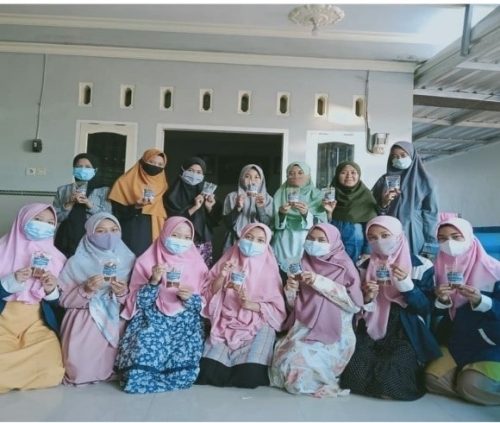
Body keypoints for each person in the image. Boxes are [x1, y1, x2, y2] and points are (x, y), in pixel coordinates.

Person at [340, 215, 441, 401]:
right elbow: (354, 304)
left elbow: (426, 308)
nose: (379, 241)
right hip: (371, 323)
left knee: (393, 368)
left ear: (398, 235)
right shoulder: (363, 266)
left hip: (405, 327)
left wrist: (407, 285)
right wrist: (367, 297)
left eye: (385, 235)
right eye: (372, 237)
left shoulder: (421, 266)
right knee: (354, 369)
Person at [269, 223, 363, 398]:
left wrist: (319, 281)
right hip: (303, 325)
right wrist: (291, 289)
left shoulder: (345, 266)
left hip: (334, 329)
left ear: (333, 242)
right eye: (310, 239)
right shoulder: (302, 263)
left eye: (321, 240)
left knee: (305, 365)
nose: (314, 243)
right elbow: (294, 307)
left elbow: (355, 304)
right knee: (284, 360)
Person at [116, 216, 208, 394]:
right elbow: (139, 302)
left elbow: (206, 303)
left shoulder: (198, 265)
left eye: (186, 237)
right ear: (165, 233)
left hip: (185, 319)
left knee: (183, 366)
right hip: (153, 316)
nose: (181, 241)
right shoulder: (146, 261)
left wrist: (190, 298)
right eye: (175, 235)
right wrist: (153, 281)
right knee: (147, 339)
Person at [196, 223, 287, 388]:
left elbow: (277, 310)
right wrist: (222, 276)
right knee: (207, 372)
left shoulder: (270, 270)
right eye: (248, 237)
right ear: (240, 238)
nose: (253, 243)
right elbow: (208, 295)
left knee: (249, 376)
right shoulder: (227, 261)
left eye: (260, 240)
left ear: (267, 244)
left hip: (257, 322)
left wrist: (250, 305)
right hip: (225, 319)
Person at [425, 217, 500, 406]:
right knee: (430, 379)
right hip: (458, 342)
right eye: (442, 239)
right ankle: (465, 387)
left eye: (456, 236)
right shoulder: (437, 269)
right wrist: (442, 300)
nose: (449, 243)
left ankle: (467, 385)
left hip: (493, 344)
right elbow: (433, 312)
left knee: (472, 385)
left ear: (469, 237)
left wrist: (482, 301)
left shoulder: (495, 271)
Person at [58, 212, 135, 386]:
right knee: (80, 372)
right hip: (85, 318)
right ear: (90, 234)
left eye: (114, 230)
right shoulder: (75, 262)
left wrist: (122, 293)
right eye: (101, 231)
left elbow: (136, 300)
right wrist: (86, 290)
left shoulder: (130, 260)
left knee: (118, 366)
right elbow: (63, 300)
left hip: (117, 318)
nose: (109, 235)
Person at [0, 203, 67, 393]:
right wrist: (10, 282)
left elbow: (60, 304)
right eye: (37, 220)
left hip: (36, 323)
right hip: (3, 321)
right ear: (23, 220)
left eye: (50, 223)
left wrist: (51, 290)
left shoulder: (58, 258)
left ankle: (11, 375)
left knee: (53, 371)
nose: (43, 225)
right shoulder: (2, 250)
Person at [371, 141, 439, 258]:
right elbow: (372, 210)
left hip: (414, 229)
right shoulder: (384, 180)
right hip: (388, 229)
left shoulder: (425, 181)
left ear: (412, 156)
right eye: (395, 156)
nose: (399, 159)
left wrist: (430, 244)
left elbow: (431, 214)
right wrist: (384, 203)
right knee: (389, 262)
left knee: (412, 261)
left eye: (403, 155)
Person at [108, 149, 169, 257]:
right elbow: (116, 213)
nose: (155, 166)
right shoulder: (125, 182)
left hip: (155, 227)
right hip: (132, 228)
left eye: (160, 164)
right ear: (142, 161)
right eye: (151, 162)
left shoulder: (163, 186)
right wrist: (136, 206)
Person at [165, 157, 223, 267]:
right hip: (178, 241)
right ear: (183, 171)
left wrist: (209, 208)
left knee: (200, 271)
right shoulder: (172, 195)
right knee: (176, 270)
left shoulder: (207, 194)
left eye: (199, 172)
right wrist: (194, 207)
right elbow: (172, 220)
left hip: (201, 241)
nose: (194, 175)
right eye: (190, 171)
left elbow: (215, 220)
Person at [271, 162, 327, 277]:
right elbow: (271, 222)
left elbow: (323, 224)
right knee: (281, 278)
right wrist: (281, 214)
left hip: (307, 240)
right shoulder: (280, 193)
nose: (296, 176)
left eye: (300, 173)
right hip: (284, 241)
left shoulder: (317, 196)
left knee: (305, 277)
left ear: (308, 175)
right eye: (291, 173)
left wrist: (306, 214)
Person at [53, 153, 111, 258]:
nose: (83, 169)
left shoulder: (104, 190)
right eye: (79, 166)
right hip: (66, 236)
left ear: (95, 170)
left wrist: (88, 204)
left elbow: (108, 216)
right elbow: (56, 217)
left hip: (92, 236)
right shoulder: (63, 190)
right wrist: (69, 203)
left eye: (88, 167)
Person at [324, 161, 377, 264]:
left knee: (352, 271)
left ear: (359, 175)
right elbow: (323, 226)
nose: (349, 176)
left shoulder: (366, 196)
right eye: (343, 172)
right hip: (332, 245)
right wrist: (329, 213)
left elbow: (372, 227)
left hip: (356, 248)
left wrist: (368, 251)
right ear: (337, 175)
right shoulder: (329, 195)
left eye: (353, 172)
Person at [222, 164, 273, 253]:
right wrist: (238, 207)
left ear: (262, 180)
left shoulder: (267, 199)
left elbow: (268, 224)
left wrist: (260, 208)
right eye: (247, 176)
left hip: (258, 244)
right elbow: (227, 223)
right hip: (235, 240)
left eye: (256, 177)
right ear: (241, 178)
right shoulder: (232, 197)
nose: (252, 180)